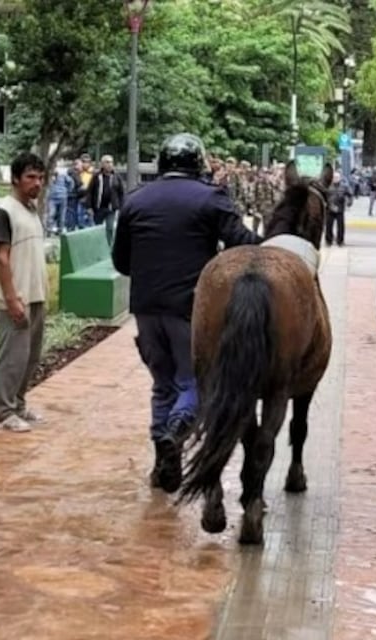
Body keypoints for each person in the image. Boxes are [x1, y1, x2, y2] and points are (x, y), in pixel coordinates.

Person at [112, 133, 263, 493]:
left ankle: (161, 460)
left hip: (146, 308)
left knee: (162, 384)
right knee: (193, 382)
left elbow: (121, 261)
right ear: (198, 162)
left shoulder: (136, 200)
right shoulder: (210, 198)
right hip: (190, 308)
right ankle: (176, 430)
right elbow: (243, 243)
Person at [0, 152, 48, 433]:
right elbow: (2, 258)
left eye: (40, 177)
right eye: (30, 177)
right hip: (15, 299)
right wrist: (11, 298)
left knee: (30, 357)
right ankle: (4, 412)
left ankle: (19, 404)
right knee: (12, 358)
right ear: (15, 179)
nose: (37, 183)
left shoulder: (31, 210)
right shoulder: (5, 211)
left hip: (36, 297)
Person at [86, 154, 125, 245]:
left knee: (110, 228)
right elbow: (90, 192)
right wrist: (89, 207)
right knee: (97, 229)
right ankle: (97, 245)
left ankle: (109, 246)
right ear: (102, 164)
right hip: (98, 208)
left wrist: (121, 206)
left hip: (111, 208)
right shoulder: (96, 176)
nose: (110, 164)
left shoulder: (116, 177)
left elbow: (121, 193)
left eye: (111, 162)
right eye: (107, 162)